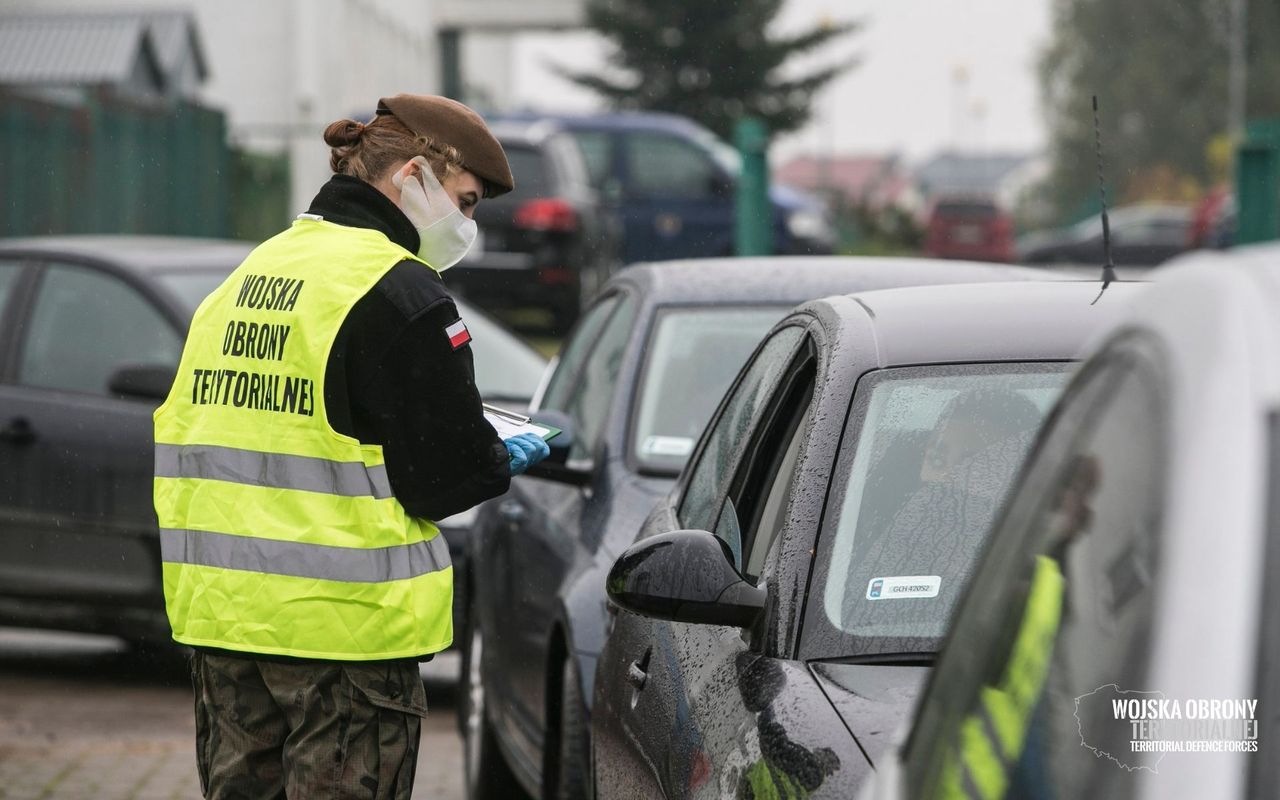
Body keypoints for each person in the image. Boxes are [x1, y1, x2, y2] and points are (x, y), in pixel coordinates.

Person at [153, 93, 550, 799]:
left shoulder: (251, 276)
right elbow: (442, 478)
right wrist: (496, 457)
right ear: (412, 178)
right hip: (342, 639)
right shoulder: (401, 295)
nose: (467, 223)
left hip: (226, 625)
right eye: (464, 200)